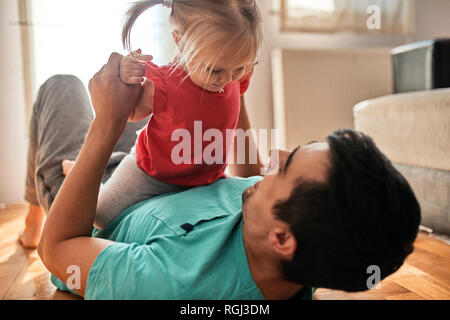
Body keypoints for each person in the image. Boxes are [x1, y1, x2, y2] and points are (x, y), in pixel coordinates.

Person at [35, 54, 420, 299]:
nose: (276, 156)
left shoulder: (171, 286)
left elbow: (59, 249)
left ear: (282, 238)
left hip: (93, 206)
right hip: (160, 166)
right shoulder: (302, 241)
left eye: (286, 167)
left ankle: (35, 212)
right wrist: (230, 78)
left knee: (62, 86)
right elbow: (249, 177)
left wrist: (107, 124)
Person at [59, 0, 265, 230]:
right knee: (101, 218)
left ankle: (105, 168)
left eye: (240, 67)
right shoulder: (165, 85)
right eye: (214, 70)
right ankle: (79, 171)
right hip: (150, 175)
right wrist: (128, 79)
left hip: (206, 178)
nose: (227, 79)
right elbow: (130, 114)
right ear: (180, 41)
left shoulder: (235, 76)